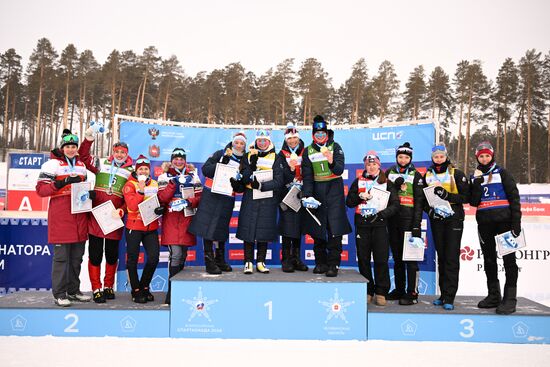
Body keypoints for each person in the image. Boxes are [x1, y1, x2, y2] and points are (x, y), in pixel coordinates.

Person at [36, 129, 92, 306]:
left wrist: (89, 194)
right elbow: (41, 190)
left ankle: (73, 291)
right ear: (62, 148)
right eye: (67, 146)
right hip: (61, 217)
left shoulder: (82, 165)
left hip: (80, 217)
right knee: (61, 259)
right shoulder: (52, 165)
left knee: (77, 258)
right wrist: (60, 183)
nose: (71, 149)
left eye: (73, 146)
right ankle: (60, 294)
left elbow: (83, 186)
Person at [78, 127, 133, 303]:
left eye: (122, 152)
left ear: (126, 154)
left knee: (111, 254)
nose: (119, 154)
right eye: (116, 151)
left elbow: (130, 196)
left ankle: (108, 286)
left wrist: (122, 209)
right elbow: (84, 158)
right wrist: (88, 139)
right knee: (95, 255)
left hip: (114, 217)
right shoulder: (102, 163)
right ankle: (96, 288)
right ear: (112, 152)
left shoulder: (131, 170)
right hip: (96, 215)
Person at [469, 141, 521, 315]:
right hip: (484, 224)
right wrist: (476, 183)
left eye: (487, 156)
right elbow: (474, 202)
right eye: (481, 156)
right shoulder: (474, 176)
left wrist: (516, 223)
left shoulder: (502, 173)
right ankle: (494, 295)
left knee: (509, 261)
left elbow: (514, 198)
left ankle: (510, 299)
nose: (484, 159)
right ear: (477, 157)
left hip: (504, 222)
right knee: (489, 260)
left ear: (492, 156)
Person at [189, 131, 247, 274]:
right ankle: (209, 261)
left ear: (244, 146)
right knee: (207, 228)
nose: (238, 145)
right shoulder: (220, 153)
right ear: (232, 142)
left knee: (221, 228)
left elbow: (241, 187)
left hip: (227, 196)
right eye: (237, 142)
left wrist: (238, 182)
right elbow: (205, 170)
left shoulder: (245, 161)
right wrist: (220, 164)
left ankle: (220, 259)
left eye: (242, 143)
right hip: (211, 195)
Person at [301, 115, 352, 277]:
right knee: (318, 229)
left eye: (323, 134)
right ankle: (320, 263)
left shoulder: (335, 147)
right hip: (317, 192)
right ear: (313, 135)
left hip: (334, 192)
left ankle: (333, 264)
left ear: (328, 134)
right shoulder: (307, 151)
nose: (320, 137)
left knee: (334, 229)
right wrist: (308, 195)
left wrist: (331, 161)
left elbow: (339, 170)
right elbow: (307, 176)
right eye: (317, 134)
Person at [346, 151, 399, 305]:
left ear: (379, 165)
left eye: (374, 164)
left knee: (381, 258)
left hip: (380, 224)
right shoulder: (358, 181)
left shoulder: (386, 182)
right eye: (368, 164)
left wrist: (382, 215)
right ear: (365, 166)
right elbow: (349, 202)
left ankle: (381, 292)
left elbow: (395, 205)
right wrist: (359, 197)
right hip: (362, 224)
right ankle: (368, 290)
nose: (371, 167)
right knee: (363, 258)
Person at [423, 145, 470, 311]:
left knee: (450, 257)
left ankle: (450, 296)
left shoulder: (455, 173)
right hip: (438, 219)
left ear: (446, 157)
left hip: (453, 219)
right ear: (432, 157)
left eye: (441, 156)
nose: (438, 159)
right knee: (441, 257)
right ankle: (443, 295)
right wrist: (430, 211)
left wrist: (447, 196)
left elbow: (466, 197)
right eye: (436, 157)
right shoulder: (428, 174)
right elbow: (423, 200)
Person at [235, 129, 285, 274]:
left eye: (265, 141)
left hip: (267, 197)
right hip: (250, 196)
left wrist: (262, 186)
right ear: (256, 141)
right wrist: (249, 171)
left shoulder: (276, 157)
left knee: (264, 230)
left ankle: (261, 262)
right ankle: (248, 262)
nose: (262, 143)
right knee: (248, 229)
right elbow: (243, 176)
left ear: (269, 142)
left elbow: (279, 181)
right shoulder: (248, 155)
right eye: (259, 141)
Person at [157, 148, 202, 304]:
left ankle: (179, 290)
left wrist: (187, 201)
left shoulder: (193, 176)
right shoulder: (164, 176)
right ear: (171, 160)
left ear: (185, 160)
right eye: (175, 159)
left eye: (181, 159)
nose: (178, 161)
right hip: (171, 219)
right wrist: (172, 183)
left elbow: (199, 197)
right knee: (175, 255)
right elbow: (162, 198)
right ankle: (171, 291)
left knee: (182, 255)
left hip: (187, 218)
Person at [385, 142, 425, 305]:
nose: (403, 160)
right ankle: (399, 289)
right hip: (393, 219)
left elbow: (419, 202)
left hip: (409, 220)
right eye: (400, 157)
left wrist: (416, 225)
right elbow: (384, 193)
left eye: (406, 157)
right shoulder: (388, 172)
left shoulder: (416, 175)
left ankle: (412, 293)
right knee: (397, 257)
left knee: (410, 258)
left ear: (410, 158)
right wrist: (394, 186)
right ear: (396, 157)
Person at [123, 155, 164, 303]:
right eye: (141, 169)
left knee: (154, 258)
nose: (144, 171)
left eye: (146, 168)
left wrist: (161, 209)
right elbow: (132, 206)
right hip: (134, 226)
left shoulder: (154, 183)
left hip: (151, 227)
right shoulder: (130, 185)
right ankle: (135, 290)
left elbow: (159, 201)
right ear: (136, 170)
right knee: (132, 260)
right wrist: (140, 191)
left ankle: (144, 286)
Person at [278, 123, 309, 272]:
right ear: (286, 140)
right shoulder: (281, 154)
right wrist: (290, 171)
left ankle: (297, 258)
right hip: (287, 195)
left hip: (301, 195)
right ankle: (286, 259)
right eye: (289, 139)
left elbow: (309, 173)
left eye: (295, 138)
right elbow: (278, 176)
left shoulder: (306, 152)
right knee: (287, 228)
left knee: (299, 227)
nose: (292, 141)